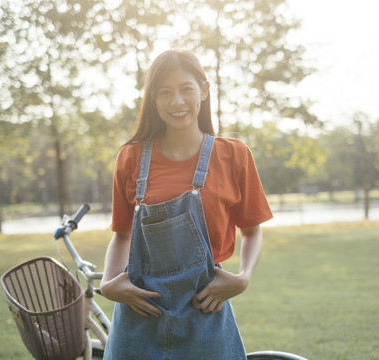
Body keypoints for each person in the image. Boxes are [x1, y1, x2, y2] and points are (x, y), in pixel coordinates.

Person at [100, 49, 273, 360]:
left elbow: (251, 231)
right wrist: (108, 284)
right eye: (164, 92)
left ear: (204, 90)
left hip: (206, 310)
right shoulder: (131, 157)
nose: (176, 102)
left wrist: (242, 278)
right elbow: (122, 235)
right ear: (153, 99)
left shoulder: (234, 155)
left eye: (186, 89)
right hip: (139, 315)